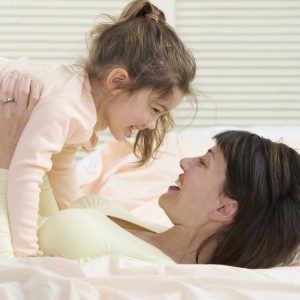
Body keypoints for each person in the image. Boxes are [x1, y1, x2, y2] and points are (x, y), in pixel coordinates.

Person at [1, 86, 300, 268]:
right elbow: (43, 220)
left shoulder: (151, 272)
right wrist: (32, 141)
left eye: (203, 163)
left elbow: (11, 267)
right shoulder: (159, 234)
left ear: (224, 208)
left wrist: (6, 152)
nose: (185, 162)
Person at [0, 0, 197, 257]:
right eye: (155, 110)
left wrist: (74, 214)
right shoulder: (63, 107)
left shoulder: (79, 108)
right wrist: (27, 251)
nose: (151, 125)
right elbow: (25, 174)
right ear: (117, 82)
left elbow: (60, 166)